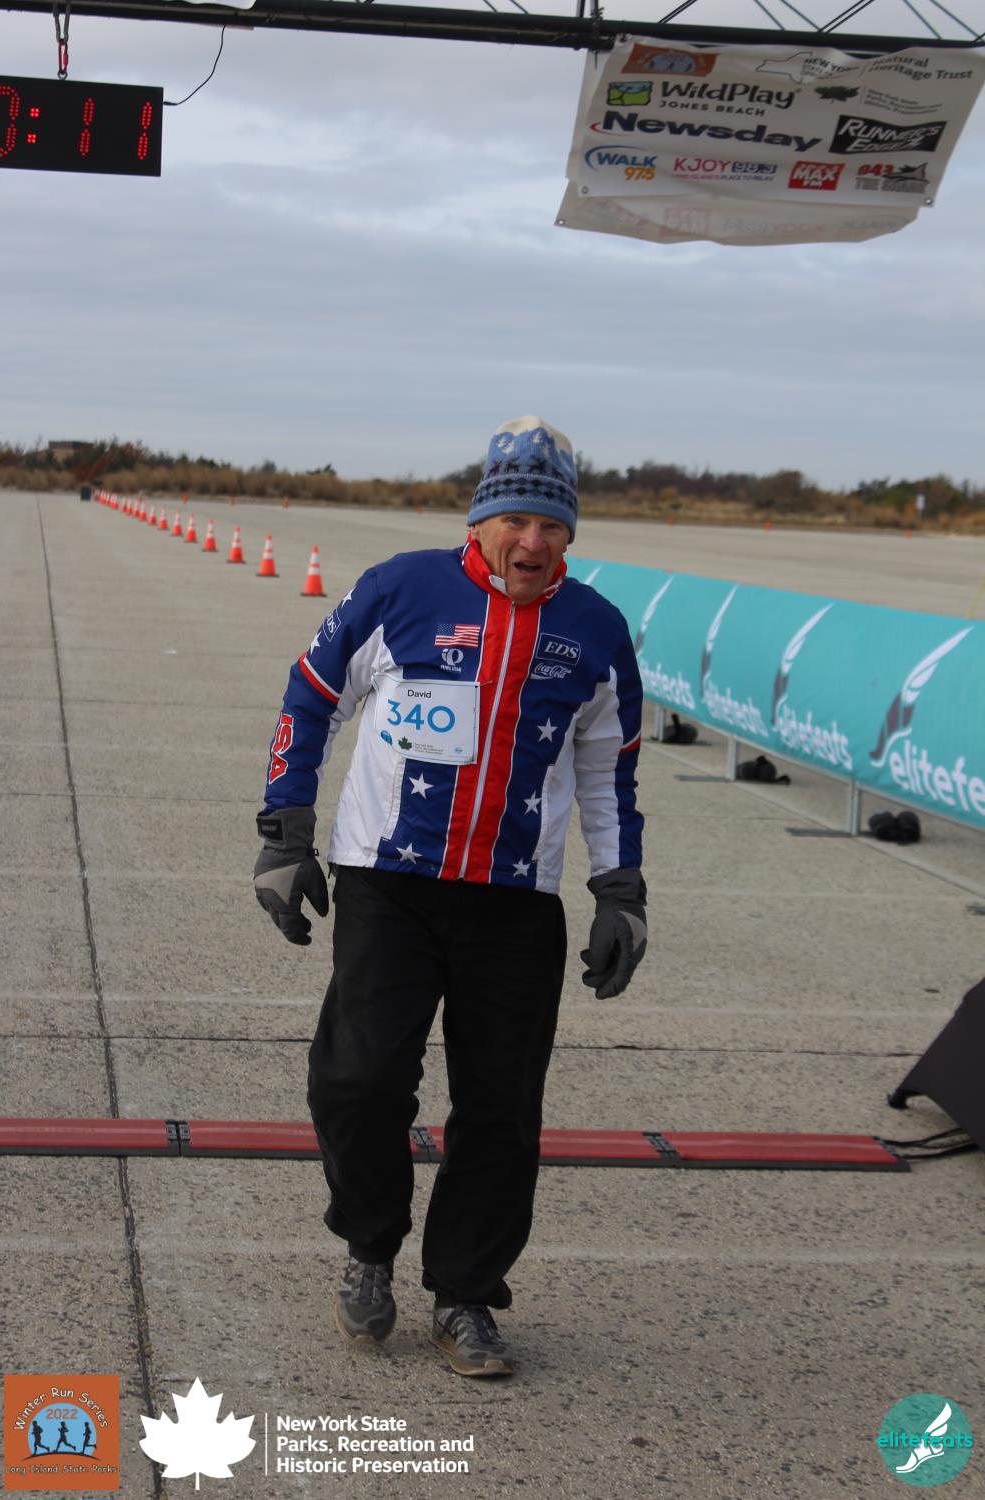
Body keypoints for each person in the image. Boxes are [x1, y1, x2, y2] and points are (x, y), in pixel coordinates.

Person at [255, 415, 647, 1377]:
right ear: (479, 521)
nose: (532, 542)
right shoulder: (401, 590)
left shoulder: (596, 630)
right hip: (388, 883)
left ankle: (466, 1293)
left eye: (552, 525)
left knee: (502, 1109)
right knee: (360, 1081)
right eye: (516, 519)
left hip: (514, 901)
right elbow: (311, 699)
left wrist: (619, 889)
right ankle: (370, 1246)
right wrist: (284, 837)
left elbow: (610, 771)